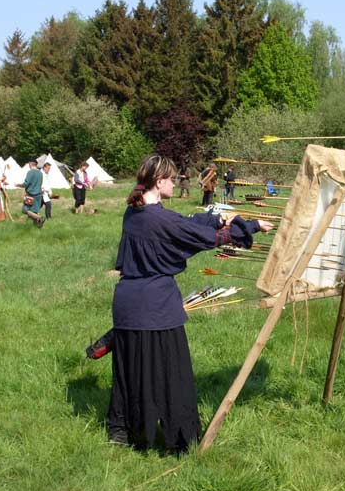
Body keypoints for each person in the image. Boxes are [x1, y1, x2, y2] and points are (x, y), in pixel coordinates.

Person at [106, 154, 274, 451]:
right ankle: (178, 441)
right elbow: (204, 236)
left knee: (131, 372)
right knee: (172, 373)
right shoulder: (160, 219)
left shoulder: (134, 212)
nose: (175, 182)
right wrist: (251, 226)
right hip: (156, 307)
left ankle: (124, 432)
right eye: (171, 179)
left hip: (127, 306)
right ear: (159, 183)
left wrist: (219, 217)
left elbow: (186, 222)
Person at [17, 159, 45, 228]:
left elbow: (26, 183)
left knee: (25, 210)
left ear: (30, 164)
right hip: (39, 195)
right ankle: (37, 226)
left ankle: (39, 218)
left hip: (31, 195)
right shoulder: (40, 173)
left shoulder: (30, 172)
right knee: (34, 211)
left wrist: (19, 185)